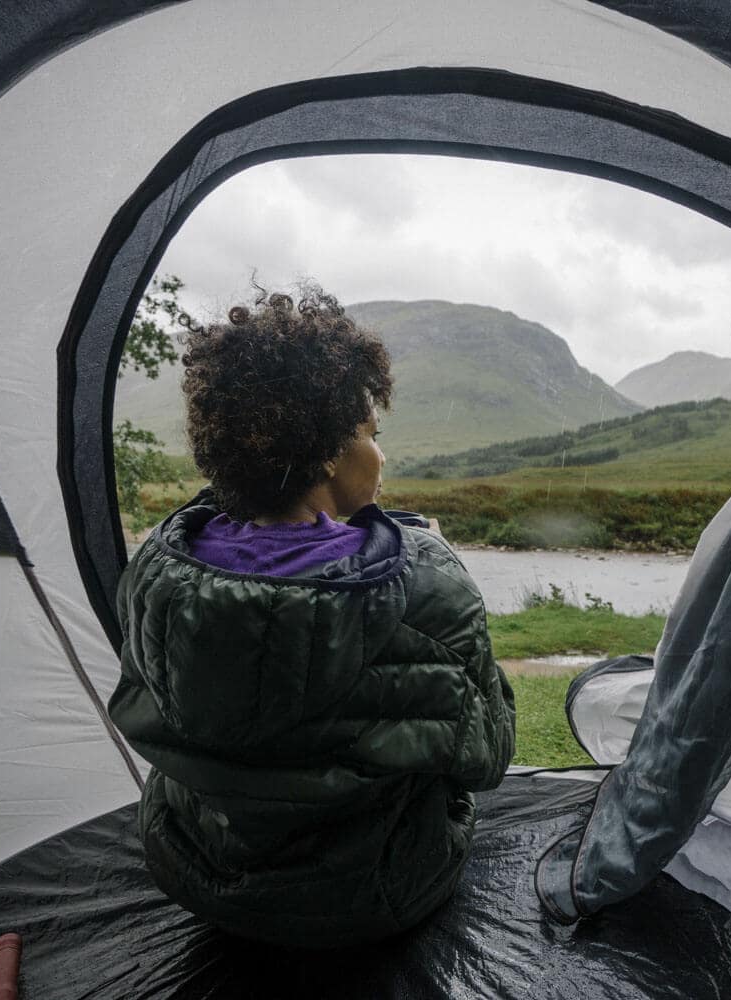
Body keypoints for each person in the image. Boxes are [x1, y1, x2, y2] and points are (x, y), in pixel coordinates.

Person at [108, 286, 516, 948]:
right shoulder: (426, 581)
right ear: (329, 451)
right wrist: (429, 555)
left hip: (194, 871)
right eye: (371, 436)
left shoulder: (158, 568)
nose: (381, 456)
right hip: (374, 895)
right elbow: (491, 751)